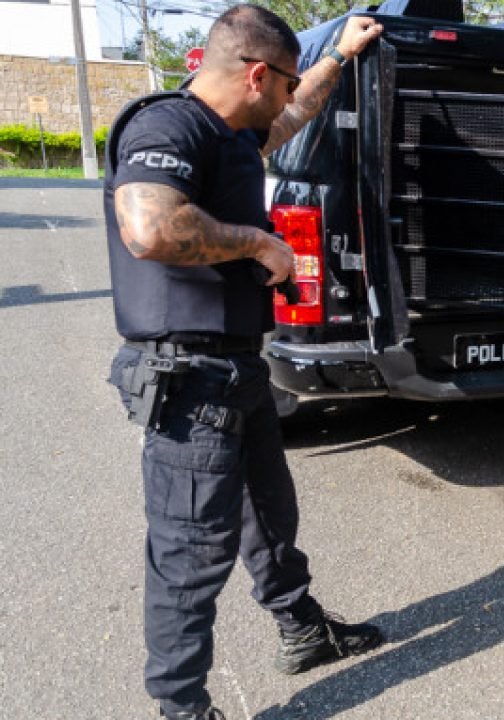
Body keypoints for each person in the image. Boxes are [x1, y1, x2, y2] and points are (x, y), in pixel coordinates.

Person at [103, 6, 384, 719]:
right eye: (284, 83)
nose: (288, 99)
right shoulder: (169, 125)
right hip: (186, 376)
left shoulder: (235, 134)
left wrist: (337, 58)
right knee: (192, 555)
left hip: (237, 370)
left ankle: (300, 626)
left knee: (270, 514)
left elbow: (290, 123)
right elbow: (149, 226)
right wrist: (260, 245)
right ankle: (180, 707)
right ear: (256, 73)